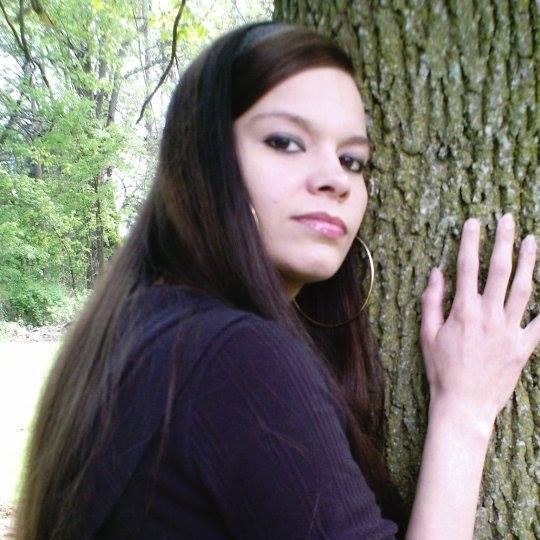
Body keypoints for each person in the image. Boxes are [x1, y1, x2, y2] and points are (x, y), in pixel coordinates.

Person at [14, 20, 539, 540]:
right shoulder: (237, 357)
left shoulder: (137, 328)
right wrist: (465, 411)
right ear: (204, 160)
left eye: (352, 159)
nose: (335, 179)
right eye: (285, 142)